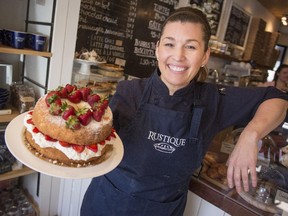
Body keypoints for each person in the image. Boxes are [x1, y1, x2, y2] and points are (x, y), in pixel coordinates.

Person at [81, 7, 288, 216]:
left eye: (190, 47)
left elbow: (277, 98)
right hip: (106, 203)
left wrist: (250, 135)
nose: (178, 56)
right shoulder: (129, 92)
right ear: (157, 49)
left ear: (205, 55)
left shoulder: (214, 99)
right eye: (170, 44)